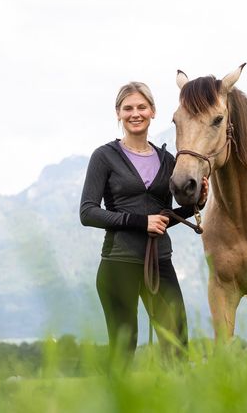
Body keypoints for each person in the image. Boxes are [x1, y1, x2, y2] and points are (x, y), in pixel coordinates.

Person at [79, 81, 202, 363]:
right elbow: (87, 212)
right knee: (124, 350)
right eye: (128, 108)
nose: (135, 113)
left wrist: (198, 204)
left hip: (161, 262)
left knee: (178, 347)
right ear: (118, 114)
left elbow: (163, 218)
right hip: (118, 262)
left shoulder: (168, 160)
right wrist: (139, 222)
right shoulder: (104, 156)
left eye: (142, 107)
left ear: (153, 112)